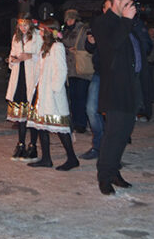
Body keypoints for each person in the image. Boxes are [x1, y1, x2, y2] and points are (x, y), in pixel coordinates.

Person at [92, 0, 139, 195]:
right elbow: (112, 46)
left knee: (123, 135)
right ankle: (104, 176)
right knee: (112, 135)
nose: (131, 7)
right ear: (116, 3)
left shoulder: (126, 23)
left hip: (130, 87)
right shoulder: (103, 22)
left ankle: (114, 171)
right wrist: (127, 21)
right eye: (127, 3)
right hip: (114, 88)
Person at [27, 20, 79, 171]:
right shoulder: (45, 47)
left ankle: (72, 158)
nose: (41, 33)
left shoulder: (57, 47)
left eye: (43, 31)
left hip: (53, 95)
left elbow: (61, 70)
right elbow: (39, 68)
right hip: (43, 93)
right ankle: (46, 158)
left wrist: (55, 89)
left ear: (50, 31)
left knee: (59, 127)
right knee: (42, 126)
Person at [5, 13, 42, 163]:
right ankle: (20, 144)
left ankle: (33, 145)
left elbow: (42, 55)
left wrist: (30, 57)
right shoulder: (16, 37)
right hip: (19, 77)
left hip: (32, 77)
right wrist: (13, 59)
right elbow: (12, 54)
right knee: (21, 115)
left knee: (31, 114)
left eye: (25, 25)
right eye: (20, 25)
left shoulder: (38, 36)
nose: (23, 28)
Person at [80, 0, 111, 160]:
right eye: (105, 8)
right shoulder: (99, 23)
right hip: (99, 72)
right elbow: (91, 48)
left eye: (109, 7)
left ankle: (108, 146)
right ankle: (98, 145)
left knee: (112, 113)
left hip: (115, 75)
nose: (106, 11)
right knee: (91, 109)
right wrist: (91, 42)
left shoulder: (121, 24)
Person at [61, 9, 92, 133]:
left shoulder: (83, 30)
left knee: (81, 96)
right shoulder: (65, 31)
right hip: (70, 69)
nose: (69, 21)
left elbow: (88, 44)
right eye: (67, 19)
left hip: (81, 68)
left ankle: (81, 123)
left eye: (71, 19)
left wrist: (75, 49)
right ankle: (75, 121)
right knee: (73, 96)